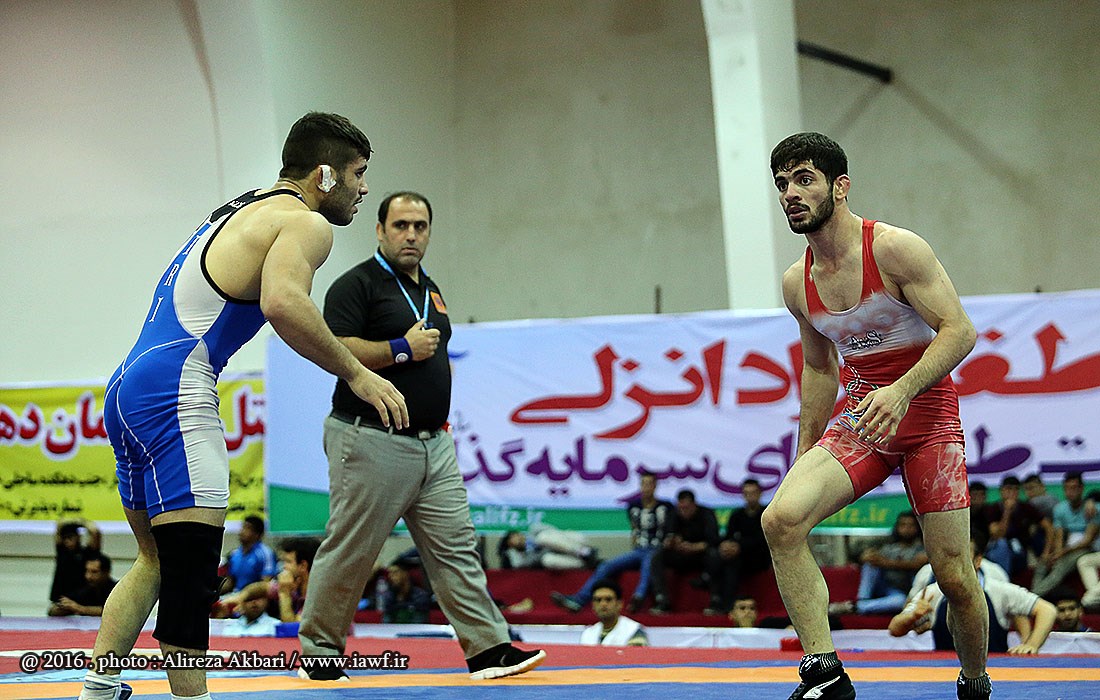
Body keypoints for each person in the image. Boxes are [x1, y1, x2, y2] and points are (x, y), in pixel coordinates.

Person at [82, 112, 408, 700]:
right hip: (177, 388)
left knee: (155, 562)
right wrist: (357, 372)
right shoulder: (305, 222)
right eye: (359, 173)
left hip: (128, 386)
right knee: (190, 575)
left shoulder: (241, 207)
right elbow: (284, 303)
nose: (364, 188)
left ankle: (97, 691)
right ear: (325, 175)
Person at [761, 133, 990, 700]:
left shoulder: (894, 249)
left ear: (840, 187)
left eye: (805, 180)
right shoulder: (797, 283)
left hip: (928, 418)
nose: (791, 194)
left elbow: (960, 331)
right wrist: (805, 455)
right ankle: (825, 672)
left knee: (954, 577)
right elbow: (820, 371)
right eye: (782, 184)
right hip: (864, 420)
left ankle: (974, 681)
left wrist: (903, 390)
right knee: (781, 520)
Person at [296, 191, 544, 682]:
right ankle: (319, 654)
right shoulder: (356, 285)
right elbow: (333, 347)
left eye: (420, 226)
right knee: (352, 550)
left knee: (457, 547)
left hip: (434, 443)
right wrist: (401, 348)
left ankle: (488, 649)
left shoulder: (430, 289)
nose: (411, 234)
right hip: (372, 438)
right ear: (380, 230)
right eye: (401, 225)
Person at [889, 531, 1056, 655]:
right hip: (944, 673)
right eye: (951, 557)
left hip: (996, 673)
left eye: (963, 557)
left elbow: (1048, 610)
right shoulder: (933, 592)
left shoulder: (999, 590)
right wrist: (911, 617)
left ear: (977, 561)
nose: (955, 563)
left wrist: (1031, 644)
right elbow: (895, 628)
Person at [551, 471, 674, 613]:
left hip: (657, 551)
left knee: (649, 565)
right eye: (643, 484)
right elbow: (634, 529)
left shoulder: (666, 507)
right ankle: (578, 600)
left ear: (655, 486)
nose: (646, 488)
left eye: (649, 484)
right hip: (639, 550)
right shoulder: (633, 506)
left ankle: (638, 598)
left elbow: (671, 531)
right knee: (606, 566)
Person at [830, 511, 928, 616]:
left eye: (911, 525)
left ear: (917, 528)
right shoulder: (889, 546)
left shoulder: (923, 547)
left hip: (900, 590)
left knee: (900, 601)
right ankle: (862, 599)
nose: (907, 529)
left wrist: (884, 562)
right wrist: (871, 557)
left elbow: (916, 564)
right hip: (882, 585)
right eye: (903, 525)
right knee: (870, 565)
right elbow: (867, 557)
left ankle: (856, 606)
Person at [649, 489, 720, 613]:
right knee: (657, 557)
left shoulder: (707, 514)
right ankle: (662, 599)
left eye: (686, 508)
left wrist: (693, 547)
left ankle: (715, 600)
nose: (683, 511)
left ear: (694, 505)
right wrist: (671, 543)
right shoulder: (673, 515)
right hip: (680, 555)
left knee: (714, 555)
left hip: (700, 555)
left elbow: (713, 541)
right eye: (681, 508)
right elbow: (666, 538)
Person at [707, 478, 771, 615]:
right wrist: (726, 545)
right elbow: (730, 535)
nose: (750, 497)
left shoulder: (767, 514)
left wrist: (739, 546)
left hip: (759, 557)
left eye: (753, 493)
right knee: (716, 555)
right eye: (747, 493)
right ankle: (716, 598)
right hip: (738, 554)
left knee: (732, 563)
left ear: (760, 493)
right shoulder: (737, 515)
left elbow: (763, 539)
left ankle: (727, 604)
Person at [1032, 472, 1100, 597]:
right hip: (1068, 548)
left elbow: (1088, 540)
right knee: (1043, 562)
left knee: (1060, 567)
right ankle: (1035, 595)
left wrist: (1063, 553)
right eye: (1067, 488)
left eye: (1074, 488)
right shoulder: (1060, 509)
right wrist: (1057, 553)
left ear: (1081, 489)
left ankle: (1033, 596)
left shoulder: (1093, 509)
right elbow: (1059, 536)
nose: (1070, 492)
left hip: (1086, 549)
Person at [982, 476, 1050, 576]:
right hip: (997, 551)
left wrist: (1046, 552)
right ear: (1001, 491)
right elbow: (998, 535)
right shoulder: (993, 509)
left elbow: (1048, 527)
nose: (1012, 493)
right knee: (1002, 544)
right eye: (1009, 489)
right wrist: (1007, 512)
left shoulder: (1026, 507)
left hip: (1020, 551)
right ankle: (1003, 580)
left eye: (1015, 489)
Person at [497, 524, 598, 570]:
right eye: (510, 542)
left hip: (574, 542)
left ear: (517, 533)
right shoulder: (526, 558)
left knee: (542, 537)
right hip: (568, 557)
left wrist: (540, 543)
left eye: (512, 537)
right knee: (547, 560)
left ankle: (585, 552)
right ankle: (587, 564)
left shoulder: (534, 529)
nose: (514, 540)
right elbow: (536, 560)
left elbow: (555, 532)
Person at [579, 580, 648, 646]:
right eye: (598, 600)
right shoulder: (588, 633)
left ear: (619, 604)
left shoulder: (634, 630)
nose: (603, 604)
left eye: (608, 599)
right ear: (593, 605)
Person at [50, 518, 102, 604]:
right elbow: (59, 525)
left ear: (78, 537)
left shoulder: (87, 553)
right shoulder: (62, 552)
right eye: (65, 538)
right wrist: (74, 521)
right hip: (61, 598)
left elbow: (95, 532)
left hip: (83, 599)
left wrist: (82, 522)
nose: (67, 541)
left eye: (70, 537)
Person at [222, 515, 278, 594]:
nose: (242, 531)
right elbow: (229, 583)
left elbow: (266, 583)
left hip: (255, 597)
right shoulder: (234, 554)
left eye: (247, 528)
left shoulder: (266, 554)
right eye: (242, 527)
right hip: (235, 595)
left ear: (257, 534)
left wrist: (244, 596)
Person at [48, 553, 116, 617]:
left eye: (94, 572)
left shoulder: (116, 590)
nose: (88, 576)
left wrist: (80, 609)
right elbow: (53, 610)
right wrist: (62, 608)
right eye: (87, 571)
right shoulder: (86, 590)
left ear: (106, 572)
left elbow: (112, 611)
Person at [273, 537, 319, 623]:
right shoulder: (295, 584)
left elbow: (292, 626)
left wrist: (284, 593)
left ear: (303, 566)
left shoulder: (318, 597)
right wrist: (244, 596)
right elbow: (263, 588)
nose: (284, 567)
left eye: (288, 562)